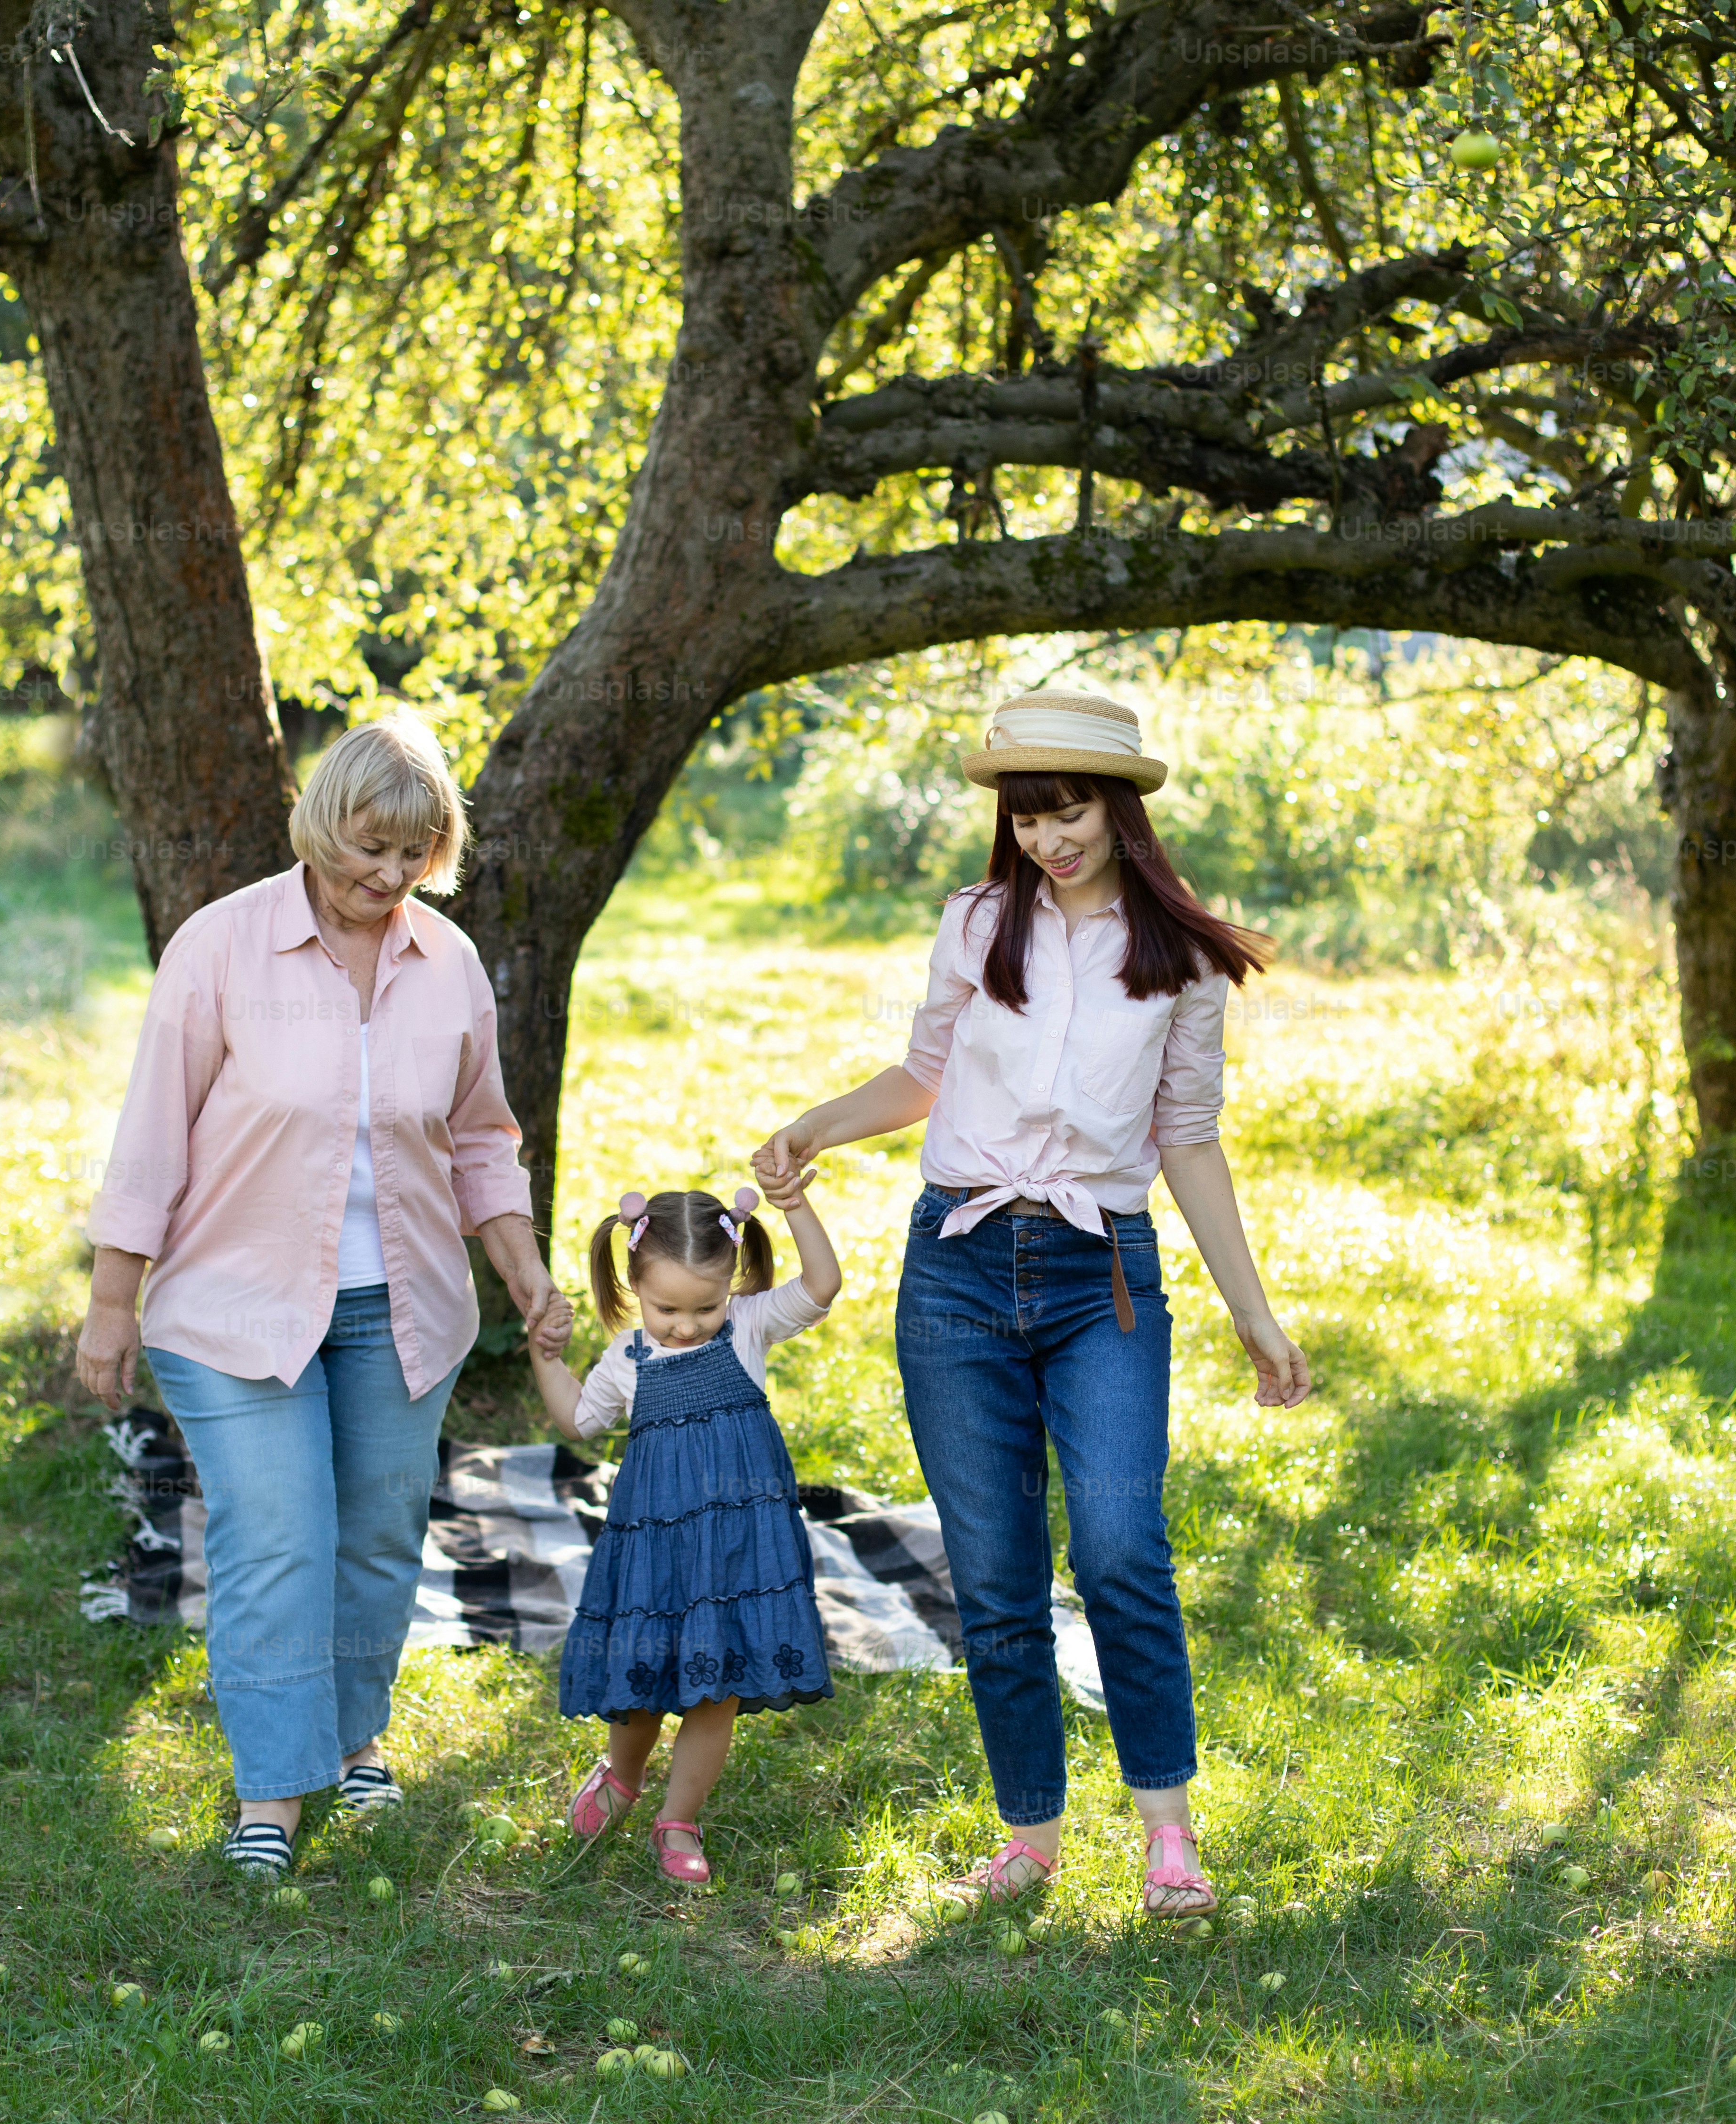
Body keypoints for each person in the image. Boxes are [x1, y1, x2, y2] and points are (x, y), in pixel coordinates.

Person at [753, 688, 1310, 1919]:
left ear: (1121, 810)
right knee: (996, 1577)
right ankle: (1032, 1842)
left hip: (1096, 1275)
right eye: (1030, 818)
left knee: (1120, 1552)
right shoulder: (977, 925)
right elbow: (924, 1074)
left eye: (1071, 815)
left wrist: (1252, 1313)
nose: (1051, 840)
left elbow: (1190, 1143)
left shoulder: (1180, 965)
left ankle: (1171, 1843)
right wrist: (815, 1130)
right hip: (954, 1276)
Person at [75, 714, 572, 1879]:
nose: (387, 876)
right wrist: (112, 1300)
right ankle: (272, 1795)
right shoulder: (222, 947)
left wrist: (527, 1273)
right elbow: (152, 1133)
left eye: (414, 853)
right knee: (277, 1540)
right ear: (320, 822)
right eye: (368, 846)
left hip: (402, 1310)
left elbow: (483, 1139)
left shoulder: (445, 965)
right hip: (236, 1306)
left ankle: (354, 1740)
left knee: (378, 1536)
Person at [527, 1167, 845, 1885]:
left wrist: (796, 1206)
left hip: (737, 1551)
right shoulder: (628, 1358)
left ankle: (680, 1819)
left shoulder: (749, 1327)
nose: (685, 1325)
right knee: (642, 1674)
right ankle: (621, 1775)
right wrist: (544, 1357)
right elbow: (579, 1419)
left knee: (716, 1684)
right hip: (654, 1547)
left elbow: (822, 1285)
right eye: (665, 1307)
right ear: (634, 1285)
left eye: (704, 1308)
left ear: (731, 1288)